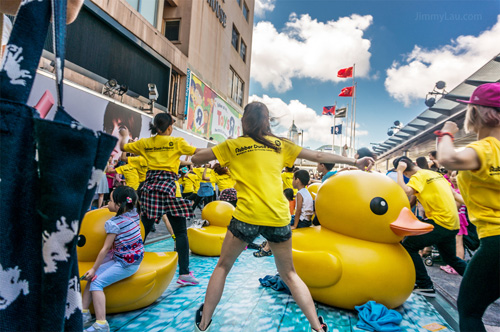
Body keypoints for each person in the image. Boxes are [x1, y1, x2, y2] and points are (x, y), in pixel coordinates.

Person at [191, 101, 374, 332]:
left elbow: (197, 159)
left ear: (244, 121)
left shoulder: (232, 145)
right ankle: (317, 326)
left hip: (247, 216)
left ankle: (204, 321)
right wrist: (354, 161)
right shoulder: (280, 144)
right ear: (267, 121)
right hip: (278, 217)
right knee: (289, 274)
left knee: (223, 267)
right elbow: (318, 154)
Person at [436, 82, 500, 331]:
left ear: (479, 113)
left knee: (470, 311)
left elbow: (447, 158)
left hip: (495, 241)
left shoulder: (483, 148)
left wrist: (446, 132)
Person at [118, 112, 199, 286]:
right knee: (180, 232)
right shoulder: (176, 142)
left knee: (144, 228)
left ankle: (128, 265)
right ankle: (184, 274)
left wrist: (124, 136)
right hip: (169, 187)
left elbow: (123, 148)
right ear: (169, 127)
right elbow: (196, 152)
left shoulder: (146, 143)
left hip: (151, 187)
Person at [394, 156, 467, 297]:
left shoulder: (418, 176)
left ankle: (425, 285)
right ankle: (482, 282)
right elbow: (454, 195)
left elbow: (405, 191)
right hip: (453, 223)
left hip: (440, 222)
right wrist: (474, 206)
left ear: (405, 172)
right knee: (451, 259)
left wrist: (399, 171)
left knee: (409, 245)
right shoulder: (436, 174)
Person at [81, 186, 144, 332]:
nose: (107, 204)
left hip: (126, 264)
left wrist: (93, 269)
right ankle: (84, 313)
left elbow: (105, 249)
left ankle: (101, 324)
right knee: (92, 279)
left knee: (96, 283)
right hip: (129, 259)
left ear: (118, 205)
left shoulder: (113, 223)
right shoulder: (134, 214)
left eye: (110, 201)